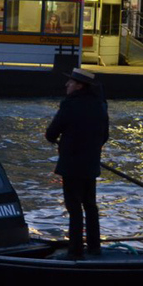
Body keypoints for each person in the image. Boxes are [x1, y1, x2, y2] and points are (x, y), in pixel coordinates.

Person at [45, 68, 110, 259]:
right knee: (90, 206)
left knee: (74, 208)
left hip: (72, 164)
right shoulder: (100, 105)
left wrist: (64, 142)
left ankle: (75, 251)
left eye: (71, 82)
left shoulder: (69, 105)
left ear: (80, 86)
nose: (67, 85)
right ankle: (94, 247)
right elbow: (104, 136)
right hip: (90, 164)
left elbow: (51, 134)